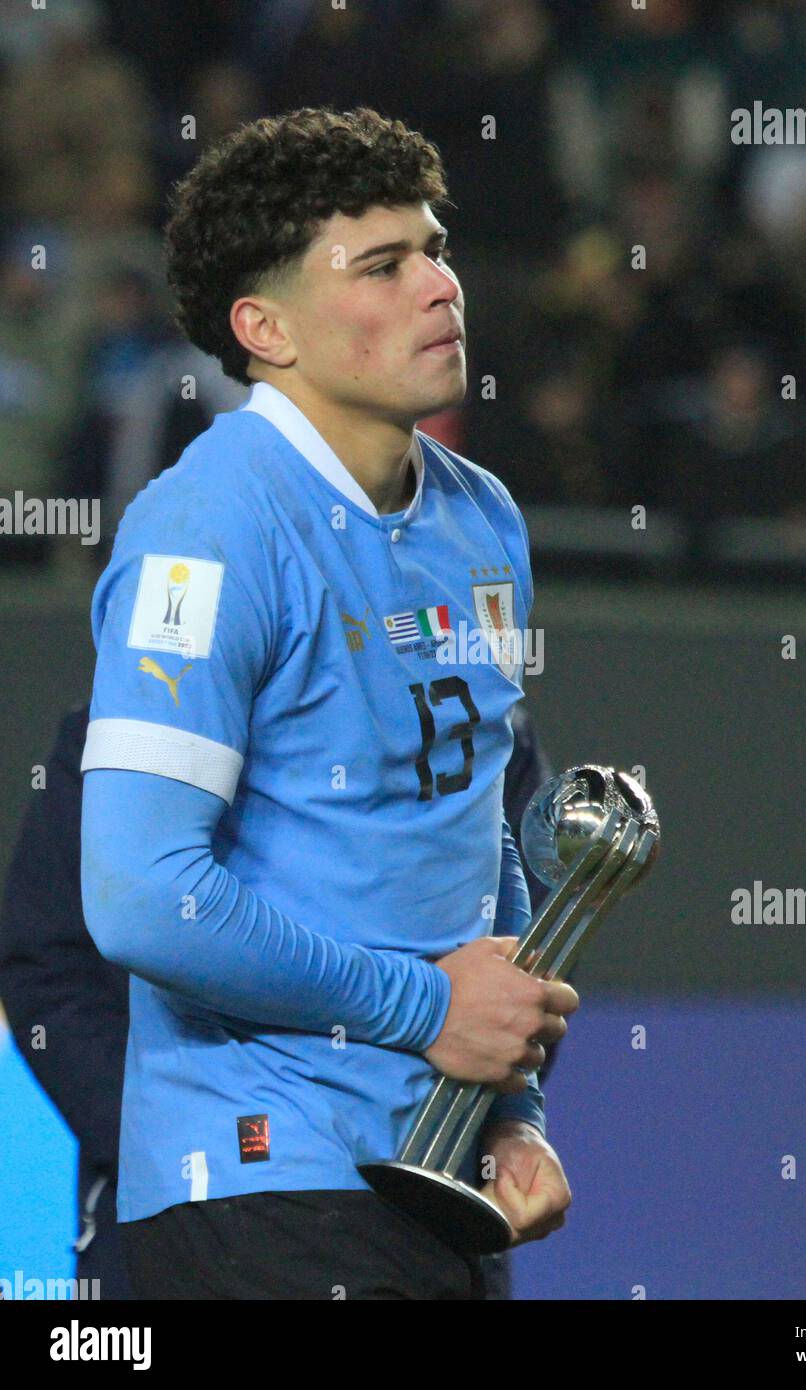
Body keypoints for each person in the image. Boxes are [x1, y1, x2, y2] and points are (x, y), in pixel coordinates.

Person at [77, 105, 578, 1300]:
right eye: (383, 264)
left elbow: (475, 832)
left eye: (436, 247)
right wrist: (426, 1008)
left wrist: (509, 1102)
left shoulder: (482, 518)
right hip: (258, 1181)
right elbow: (139, 896)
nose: (440, 286)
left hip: (437, 1174)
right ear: (265, 329)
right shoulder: (203, 534)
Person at [0, 700, 557, 1301]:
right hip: (188, 1211)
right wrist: (169, 1136)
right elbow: (51, 966)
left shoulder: (469, 713)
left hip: (433, 1194)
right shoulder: (141, 715)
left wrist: (508, 1122)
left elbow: (519, 982)